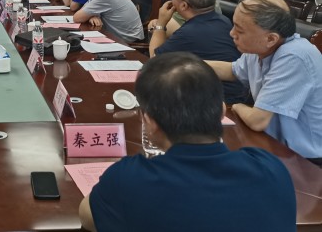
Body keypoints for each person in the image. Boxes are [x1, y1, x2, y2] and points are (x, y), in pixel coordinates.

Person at [79, 52, 296, 232]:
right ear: (221, 111)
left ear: (149, 122)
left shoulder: (129, 178)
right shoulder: (271, 168)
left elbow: (87, 217)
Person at [207, 0, 322, 161]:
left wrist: (237, 106)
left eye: (239, 30)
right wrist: (187, 64)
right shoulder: (261, 48)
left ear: (270, 38)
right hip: (275, 144)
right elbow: (232, 70)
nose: (232, 33)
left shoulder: (294, 56)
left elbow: (258, 121)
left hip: (307, 159)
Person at [149, 0, 246, 103]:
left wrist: (161, 23)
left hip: (214, 102)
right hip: (235, 95)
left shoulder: (188, 33)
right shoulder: (224, 21)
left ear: (183, 5)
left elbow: (154, 62)